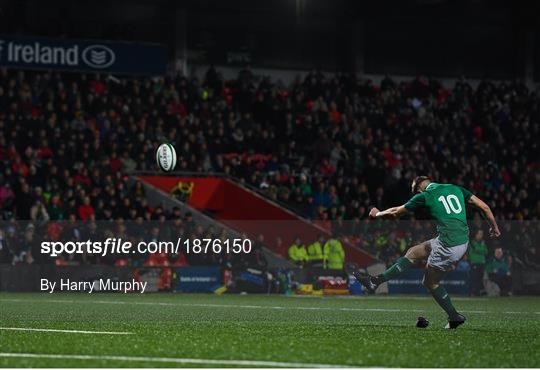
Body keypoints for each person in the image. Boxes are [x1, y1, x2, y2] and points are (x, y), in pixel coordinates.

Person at [355, 176, 500, 329]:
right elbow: (485, 207)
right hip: (462, 240)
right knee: (412, 252)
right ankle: (375, 281)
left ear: (418, 189)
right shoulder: (455, 188)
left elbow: (396, 213)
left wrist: (377, 214)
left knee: (430, 282)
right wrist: (494, 227)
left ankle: (454, 316)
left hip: (448, 245)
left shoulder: (425, 195)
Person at [468, 230, 489, 296]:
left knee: (480, 278)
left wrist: (480, 249)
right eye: (479, 234)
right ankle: (473, 292)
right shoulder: (472, 242)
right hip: (474, 262)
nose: (481, 235)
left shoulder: (483, 242)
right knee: (474, 278)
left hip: (482, 263)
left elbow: (486, 251)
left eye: (482, 234)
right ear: (476, 235)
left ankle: (478, 292)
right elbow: (476, 249)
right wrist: (481, 249)